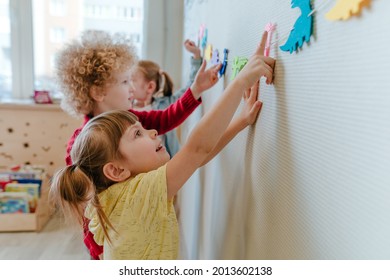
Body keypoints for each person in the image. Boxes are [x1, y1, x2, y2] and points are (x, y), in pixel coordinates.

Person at [51, 31, 275, 260]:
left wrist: (242, 120)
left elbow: (197, 155)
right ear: (115, 170)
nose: (153, 131)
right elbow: (197, 149)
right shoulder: (137, 194)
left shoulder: (123, 185)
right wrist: (240, 82)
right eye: (138, 133)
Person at [131, 39, 202, 157]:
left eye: (132, 81)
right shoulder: (128, 110)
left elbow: (192, 88)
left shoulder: (165, 106)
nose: (128, 86)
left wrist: (196, 56)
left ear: (150, 87)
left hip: (166, 166)